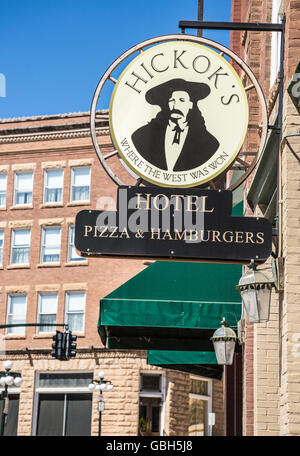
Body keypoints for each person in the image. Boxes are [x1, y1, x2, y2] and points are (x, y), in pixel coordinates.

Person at [131, 78, 220, 172]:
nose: (175, 105)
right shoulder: (141, 136)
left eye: (181, 100)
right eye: (172, 100)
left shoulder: (209, 143)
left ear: (191, 105)